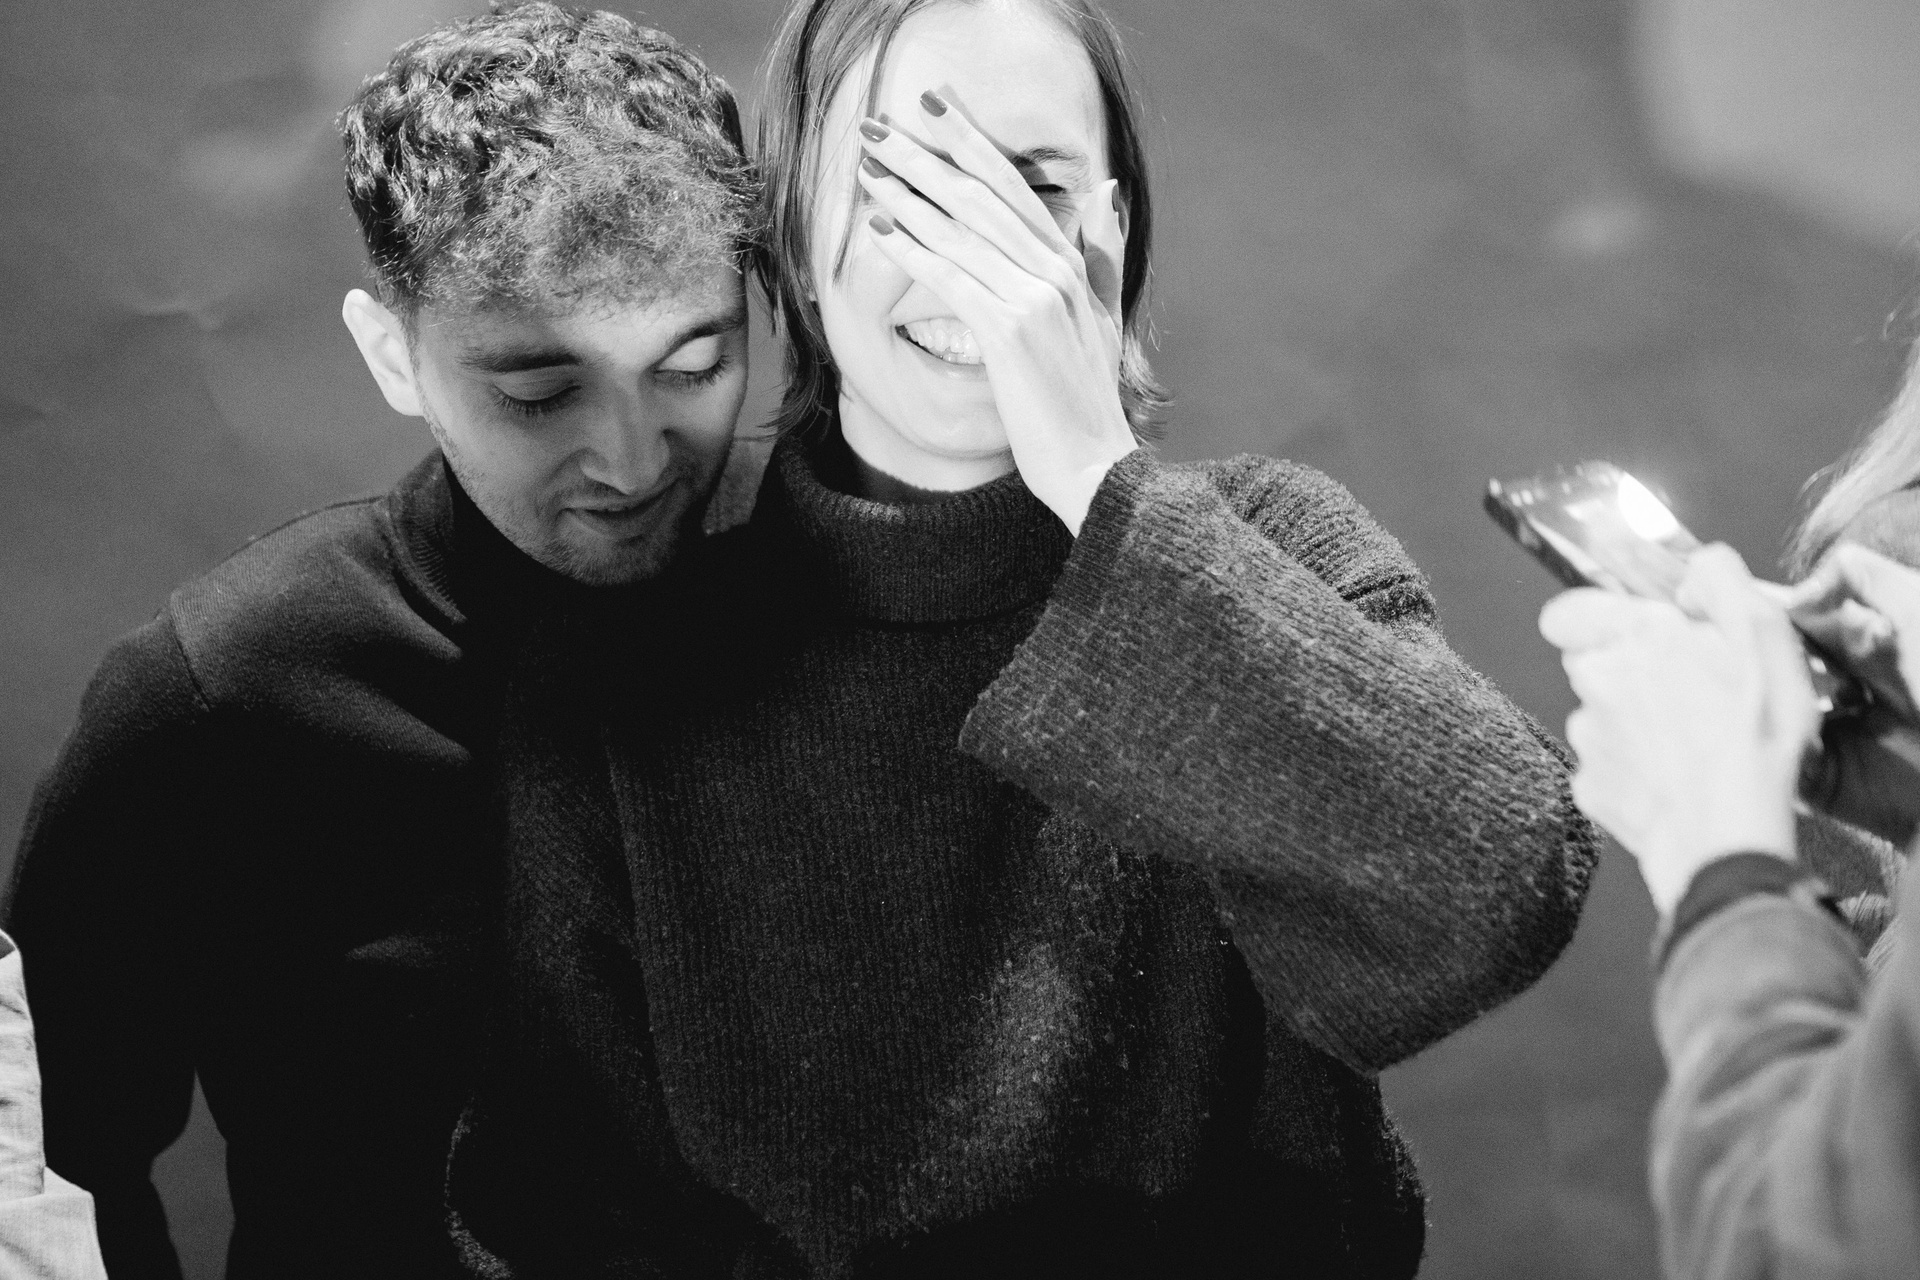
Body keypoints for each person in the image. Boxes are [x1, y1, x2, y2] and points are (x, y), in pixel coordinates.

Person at [445, 0, 1599, 1275]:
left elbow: (1498, 886)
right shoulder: (627, 672)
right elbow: (557, 1215)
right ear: (792, 243)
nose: (973, 258)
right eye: (903, 185)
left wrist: (1100, 480)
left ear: (1113, 231)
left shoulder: (1276, 545)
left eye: (1033, 188)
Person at [3, 6, 760, 1275]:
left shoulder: (836, 598)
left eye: (695, 364)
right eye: (540, 392)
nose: (633, 462)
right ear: (391, 354)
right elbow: (43, 1151)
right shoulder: (219, 693)